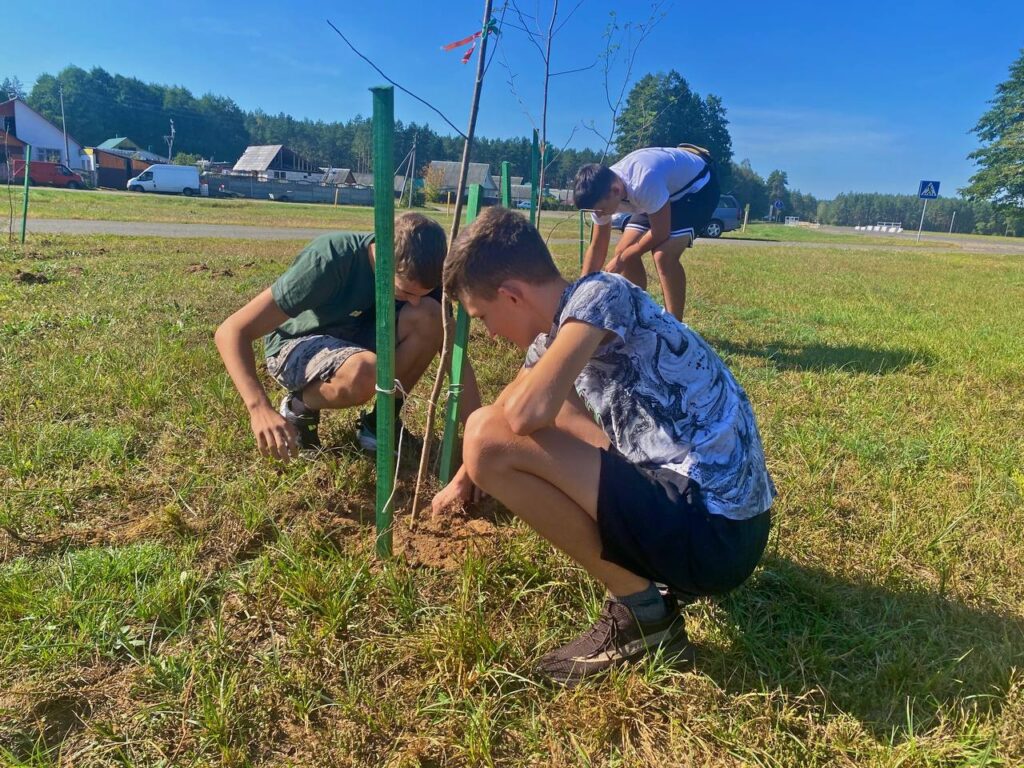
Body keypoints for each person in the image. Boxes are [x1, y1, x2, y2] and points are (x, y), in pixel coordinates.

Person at [433, 207, 775, 686]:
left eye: (483, 317)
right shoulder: (561, 331)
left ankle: (643, 614)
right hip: (715, 523)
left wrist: (481, 455)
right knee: (520, 422)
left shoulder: (601, 294)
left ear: (511, 295)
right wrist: (461, 481)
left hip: (717, 532)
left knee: (488, 435)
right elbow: (515, 400)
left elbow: (520, 415)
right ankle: (650, 584)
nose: (490, 333)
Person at [215, 212, 479, 460]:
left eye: (423, 293)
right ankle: (299, 408)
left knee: (431, 316)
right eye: (405, 292)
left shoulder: (424, 278)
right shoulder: (330, 258)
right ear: (382, 257)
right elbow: (232, 331)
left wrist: (476, 440)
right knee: (365, 370)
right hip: (297, 343)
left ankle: (381, 423)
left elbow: (456, 359)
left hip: (357, 340)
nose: (415, 301)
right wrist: (259, 408)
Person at [574, 145, 720, 320]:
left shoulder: (642, 181)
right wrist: (581, 292)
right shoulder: (600, 194)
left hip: (698, 188)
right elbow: (598, 246)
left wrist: (623, 259)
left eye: (601, 210)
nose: (599, 215)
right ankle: (640, 315)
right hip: (663, 193)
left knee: (663, 255)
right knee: (623, 250)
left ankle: (674, 325)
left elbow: (660, 233)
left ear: (616, 191)